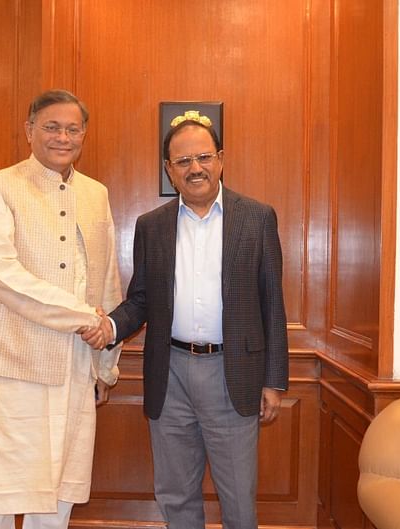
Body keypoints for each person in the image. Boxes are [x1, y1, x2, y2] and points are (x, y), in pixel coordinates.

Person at [83, 112, 288, 529]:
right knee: (175, 494)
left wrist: (274, 380)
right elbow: (140, 300)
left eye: (203, 157)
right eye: (182, 161)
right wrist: (109, 328)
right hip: (170, 374)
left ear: (221, 159)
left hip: (234, 374)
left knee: (238, 499)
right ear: (169, 171)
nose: (195, 168)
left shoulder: (257, 217)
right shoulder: (151, 226)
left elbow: (273, 303)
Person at [0, 89, 122, 529]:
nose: (62, 137)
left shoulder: (96, 193)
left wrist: (104, 364)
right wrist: (80, 317)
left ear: (84, 135)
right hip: (13, 359)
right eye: (51, 127)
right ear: (29, 130)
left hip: (74, 364)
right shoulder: (1, 185)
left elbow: (106, 278)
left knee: (58, 488)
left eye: (72, 129)